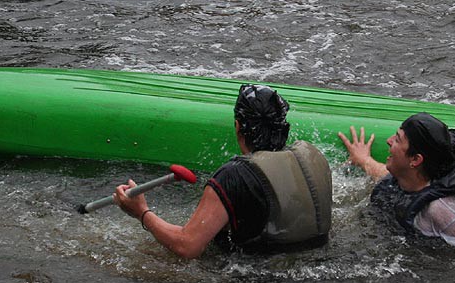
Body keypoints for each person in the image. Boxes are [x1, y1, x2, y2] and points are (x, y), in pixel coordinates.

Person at [114, 84, 333, 259]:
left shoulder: (234, 176)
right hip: (314, 267)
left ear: (238, 127)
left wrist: (141, 212)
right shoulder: (312, 156)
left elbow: (187, 246)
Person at [337, 112, 455, 255]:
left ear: (415, 160)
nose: (388, 140)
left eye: (397, 139)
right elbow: (381, 173)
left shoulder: (444, 211)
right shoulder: (404, 180)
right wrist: (364, 159)